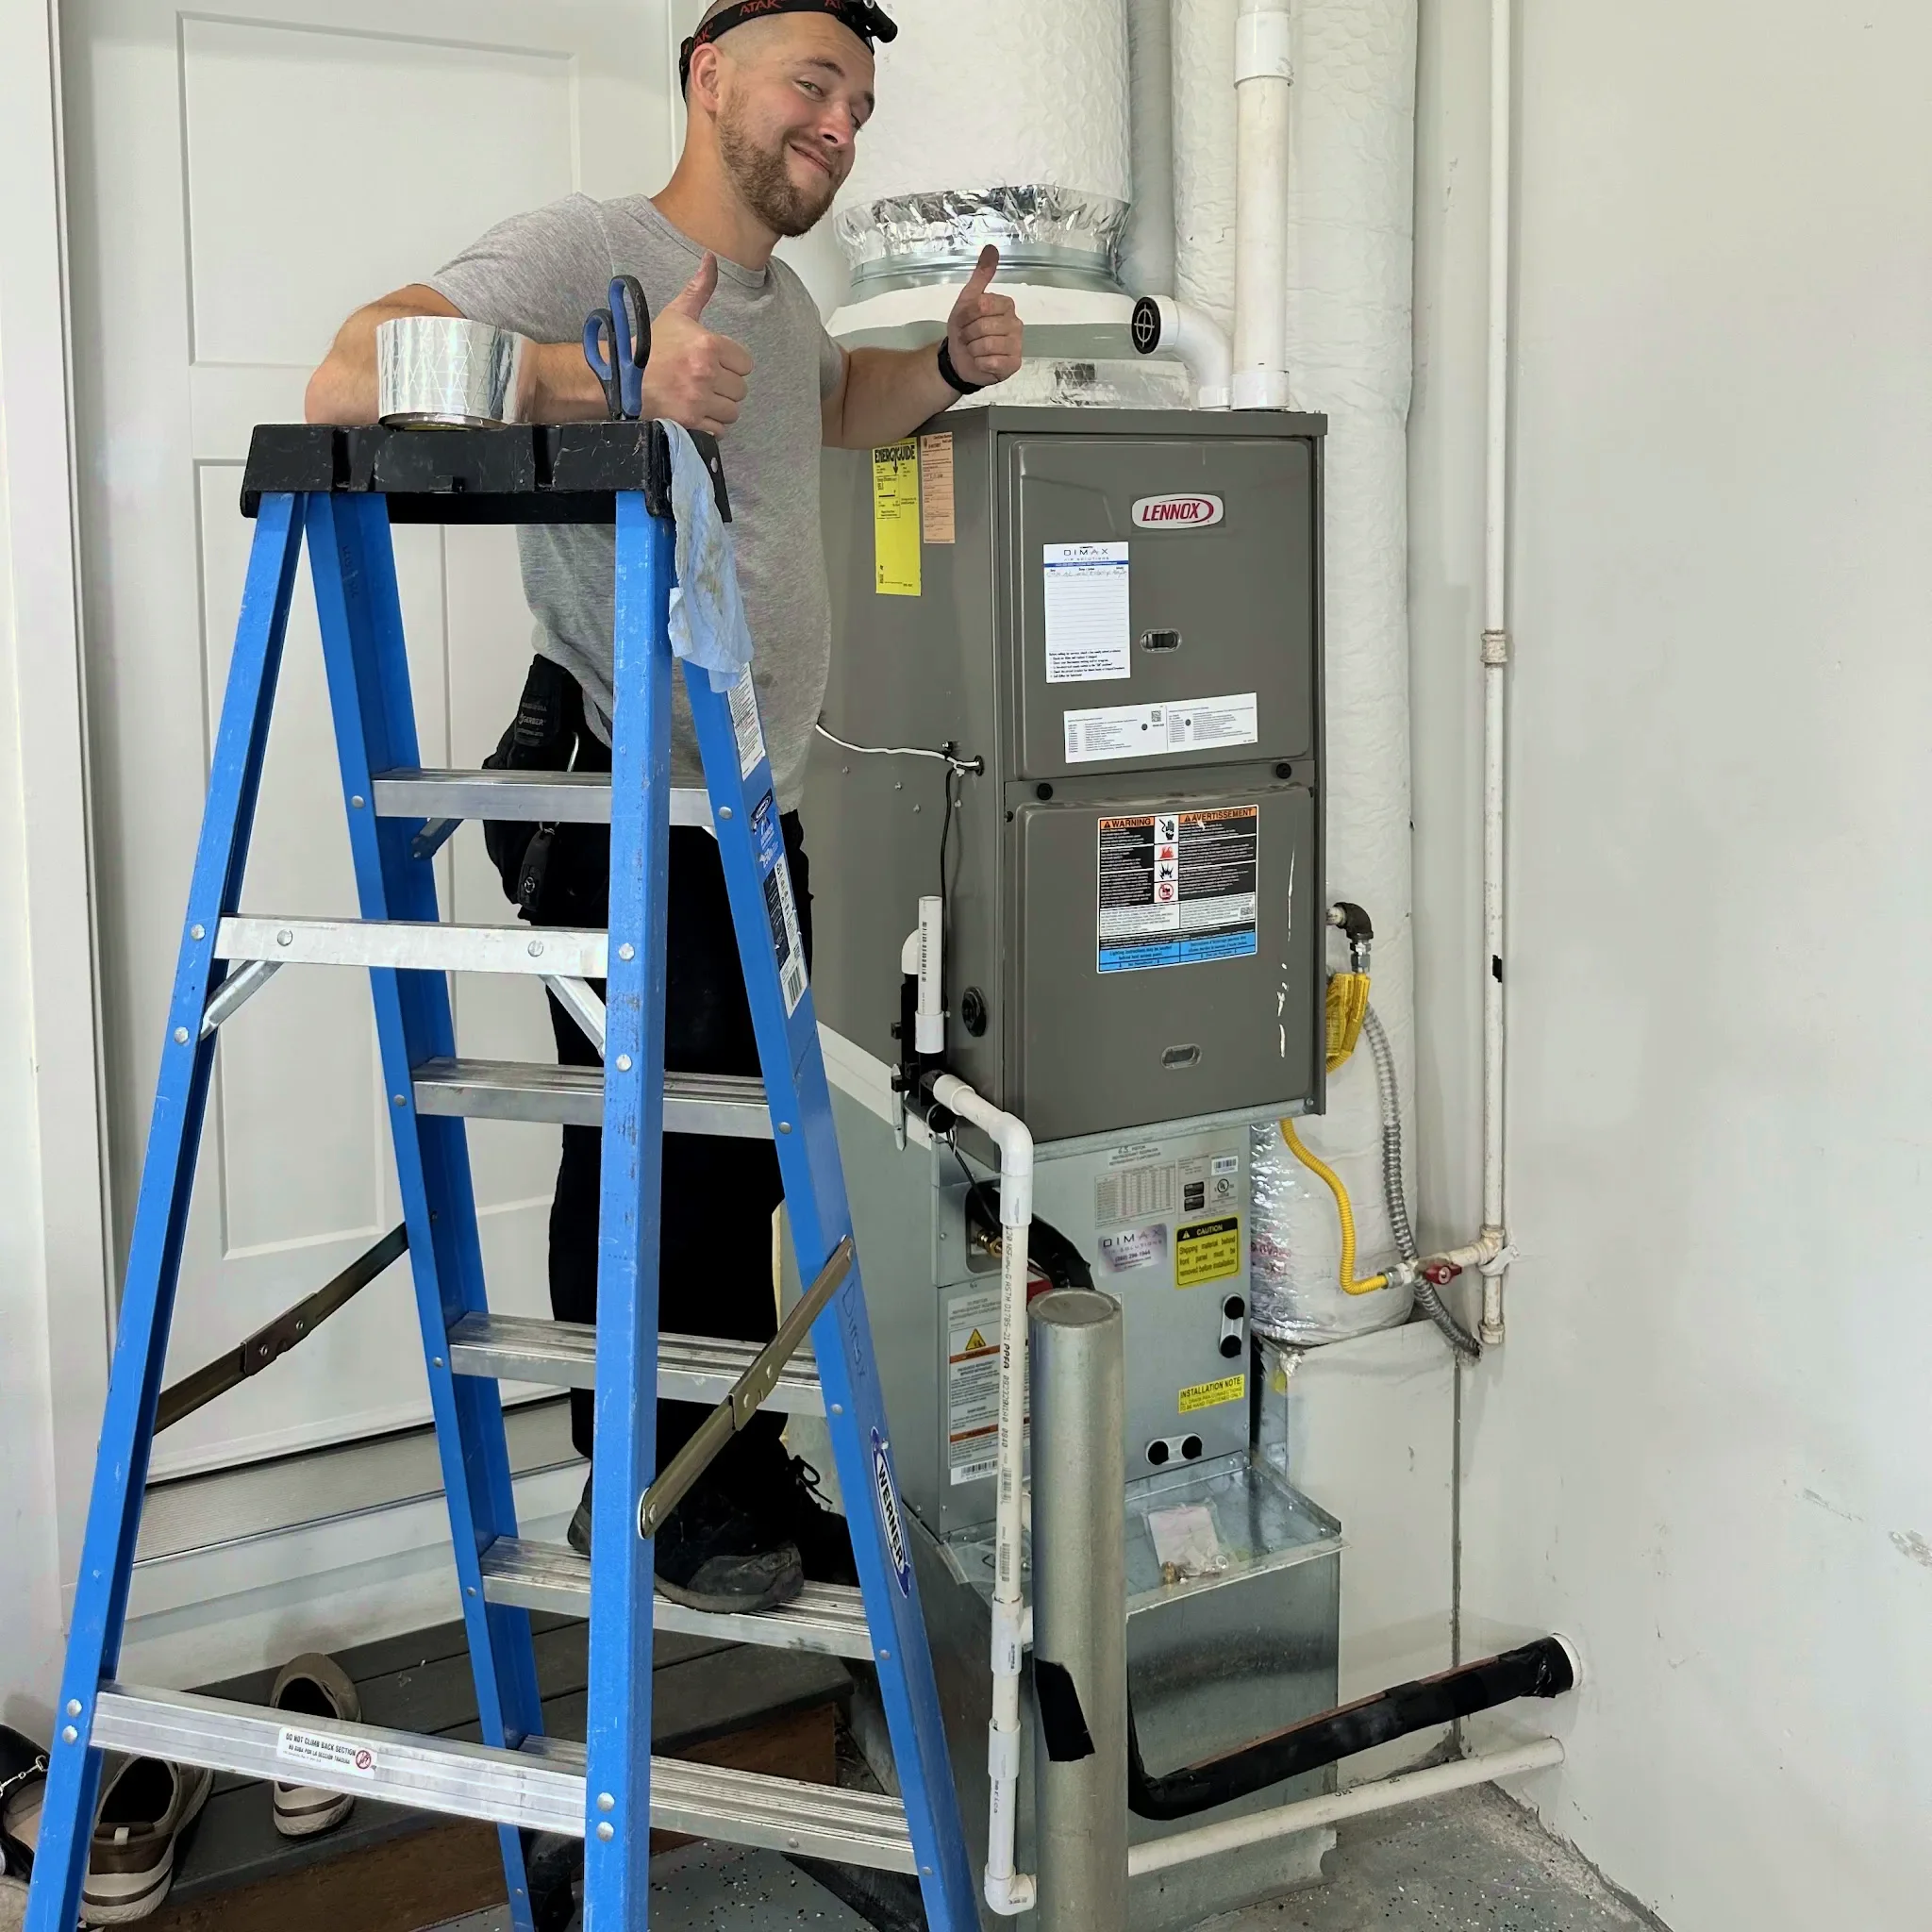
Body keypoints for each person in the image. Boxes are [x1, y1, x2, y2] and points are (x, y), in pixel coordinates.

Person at [304, 0, 1022, 1616]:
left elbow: (829, 407)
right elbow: (349, 372)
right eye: (812, 86)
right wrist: (599, 373)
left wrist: (945, 370)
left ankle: (727, 1465)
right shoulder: (591, 248)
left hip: (749, 807)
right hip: (627, 799)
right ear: (709, 79)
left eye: (859, 104)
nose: (840, 126)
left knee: (736, 1165)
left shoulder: (782, 300)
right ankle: (643, 1490)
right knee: (650, 1159)